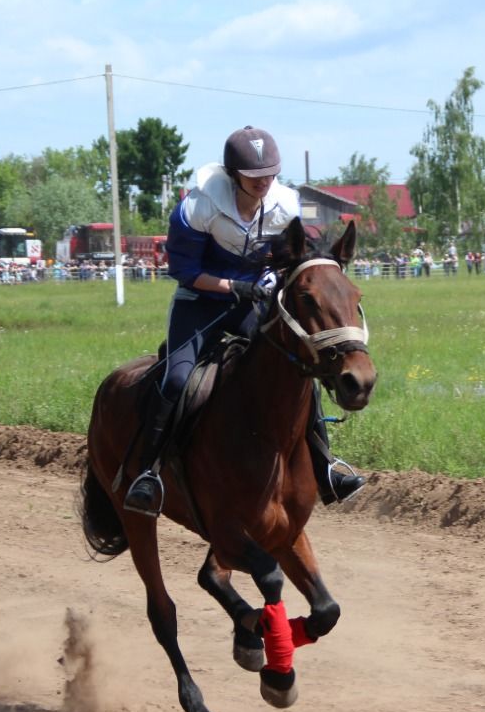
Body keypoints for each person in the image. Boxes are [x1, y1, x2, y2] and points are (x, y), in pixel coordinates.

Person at [123, 125, 365, 516]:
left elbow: (295, 260)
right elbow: (184, 271)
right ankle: (149, 473)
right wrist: (233, 286)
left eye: (269, 174)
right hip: (199, 303)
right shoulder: (198, 207)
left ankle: (325, 467)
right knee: (178, 379)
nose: (263, 183)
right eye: (254, 177)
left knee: (301, 367)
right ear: (235, 174)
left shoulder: (285, 206)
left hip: (255, 301)